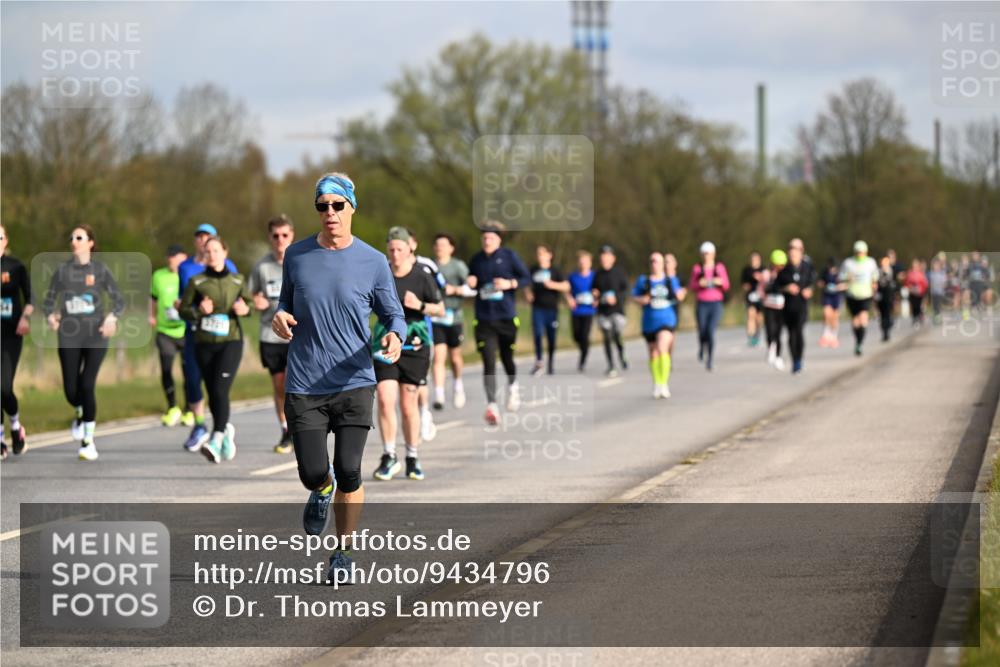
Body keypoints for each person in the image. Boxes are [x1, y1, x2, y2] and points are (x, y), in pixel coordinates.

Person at [271, 172, 406, 583]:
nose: (329, 212)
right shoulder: (297, 255)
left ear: (351, 207)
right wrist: (279, 317)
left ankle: (343, 552)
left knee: (350, 469)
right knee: (314, 473)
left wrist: (396, 336)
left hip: (354, 381)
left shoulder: (373, 261)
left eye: (336, 205)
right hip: (305, 383)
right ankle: (322, 488)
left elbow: (393, 314)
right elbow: (284, 304)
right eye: (322, 205)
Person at [43, 225, 124, 461]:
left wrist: (111, 318)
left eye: (79, 237)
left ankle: (88, 441)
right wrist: (50, 316)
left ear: (91, 243)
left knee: (87, 384)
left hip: (96, 334)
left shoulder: (100, 270)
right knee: (71, 391)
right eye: (71, 238)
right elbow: (49, 300)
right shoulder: (62, 271)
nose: (74, 241)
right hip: (69, 334)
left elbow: (119, 300)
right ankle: (79, 410)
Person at [372, 227, 444, 482]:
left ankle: (412, 457)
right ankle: (389, 455)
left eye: (399, 249)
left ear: (409, 248)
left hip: (415, 346)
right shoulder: (380, 275)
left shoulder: (422, 276)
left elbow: (440, 309)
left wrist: (420, 305)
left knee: (407, 404)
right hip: (384, 343)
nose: (395, 254)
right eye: (391, 249)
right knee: (384, 398)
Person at [179, 236, 251, 463]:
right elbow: (183, 311)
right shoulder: (197, 282)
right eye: (208, 251)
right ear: (203, 255)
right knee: (213, 393)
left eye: (216, 250)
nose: (212, 255)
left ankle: (216, 438)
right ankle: (225, 430)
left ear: (225, 253)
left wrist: (244, 309)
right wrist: (199, 310)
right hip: (204, 344)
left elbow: (249, 305)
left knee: (220, 389)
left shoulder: (237, 280)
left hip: (231, 341)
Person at [466, 220, 530, 426]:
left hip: (506, 317)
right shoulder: (476, 259)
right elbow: (471, 282)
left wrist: (509, 283)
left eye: (491, 238)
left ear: (498, 240)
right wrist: (471, 282)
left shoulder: (509, 256)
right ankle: (492, 405)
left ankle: (513, 386)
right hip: (484, 318)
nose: (487, 241)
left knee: (506, 357)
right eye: (484, 238)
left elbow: (526, 278)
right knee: (488, 360)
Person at [250, 214, 295, 453]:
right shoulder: (262, 267)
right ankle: (286, 430)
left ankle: (302, 428)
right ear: (270, 237)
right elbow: (250, 295)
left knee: (293, 383)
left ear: (292, 236)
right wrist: (255, 301)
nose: (280, 240)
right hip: (270, 334)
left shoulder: (300, 262)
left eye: (284, 235)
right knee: (279, 386)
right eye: (276, 236)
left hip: (296, 333)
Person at [405, 229, 446, 443]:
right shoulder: (387, 266)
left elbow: (442, 289)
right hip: (395, 334)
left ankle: (423, 414)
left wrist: (422, 305)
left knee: (419, 379)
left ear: (413, 244)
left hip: (423, 330)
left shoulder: (426, 266)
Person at [632, 252, 684, 399]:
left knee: (662, 347)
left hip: (666, 320)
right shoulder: (644, 281)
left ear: (662, 264)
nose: (655, 264)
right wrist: (642, 299)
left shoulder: (670, 280)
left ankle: (664, 383)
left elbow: (679, 294)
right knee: (653, 353)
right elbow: (634, 296)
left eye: (658, 262)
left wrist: (681, 293)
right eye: (652, 261)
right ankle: (657, 383)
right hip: (649, 321)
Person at [1, 224, 33, 459]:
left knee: (4, 387)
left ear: (6, 241)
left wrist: (25, 318)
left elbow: (31, 298)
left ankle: (15, 426)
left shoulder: (16, 266)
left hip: (11, 334)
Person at [149, 244, 188, 427]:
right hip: (165, 331)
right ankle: (172, 407)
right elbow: (153, 297)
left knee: (189, 372)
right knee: (166, 369)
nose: (171, 259)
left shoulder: (188, 274)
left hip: (186, 330)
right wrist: (151, 315)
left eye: (175, 256)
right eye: (169, 256)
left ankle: (189, 409)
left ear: (184, 257)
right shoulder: (158, 275)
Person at [430, 233, 470, 410]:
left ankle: (458, 385)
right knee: (438, 356)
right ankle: (439, 394)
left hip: (454, 317)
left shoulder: (458, 266)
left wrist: (456, 289)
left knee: (455, 358)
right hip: (436, 317)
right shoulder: (431, 267)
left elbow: (471, 288)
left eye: (444, 245)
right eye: (437, 245)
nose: (440, 248)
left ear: (451, 248)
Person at [526, 245, 569, 376]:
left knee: (551, 337)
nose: (540, 256)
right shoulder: (533, 269)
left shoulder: (555, 270)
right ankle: (539, 361)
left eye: (542, 253)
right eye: (538, 254)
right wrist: (528, 293)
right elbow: (526, 283)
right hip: (537, 308)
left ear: (549, 255)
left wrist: (553, 285)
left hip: (552, 309)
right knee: (538, 333)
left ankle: (551, 362)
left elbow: (566, 286)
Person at [774, 240, 816, 374]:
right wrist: (787, 288)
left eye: (796, 252)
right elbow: (776, 287)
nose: (793, 255)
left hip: (802, 306)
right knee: (791, 334)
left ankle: (799, 359)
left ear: (801, 252)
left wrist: (809, 290)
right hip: (788, 307)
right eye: (791, 252)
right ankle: (794, 360)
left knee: (799, 331)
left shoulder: (807, 267)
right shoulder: (784, 270)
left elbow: (813, 282)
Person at [688, 241, 730, 371]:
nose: (707, 256)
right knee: (702, 330)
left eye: (709, 253)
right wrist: (700, 283)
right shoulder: (697, 269)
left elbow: (726, 285)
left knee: (711, 331)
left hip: (716, 304)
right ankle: (702, 346)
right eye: (705, 254)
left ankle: (710, 359)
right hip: (702, 303)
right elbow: (692, 286)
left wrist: (719, 282)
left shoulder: (719, 268)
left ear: (713, 254)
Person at [592, 245, 629, 376]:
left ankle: (621, 354)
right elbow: (594, 290)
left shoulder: (619, 273)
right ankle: (611, 365)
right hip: (603, 311)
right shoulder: (597, 274)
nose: (604, 259)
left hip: (617, 311)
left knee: (616, 335)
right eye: (602, 256)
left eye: (607, 256)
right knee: (607, 337)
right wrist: (595, 296)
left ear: (613, 258)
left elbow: (626, 290)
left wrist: (616, 298)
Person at [838, 241, 880, 356]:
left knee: (863, 317)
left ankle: (860, 343)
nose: (860, 254)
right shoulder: (848, 263)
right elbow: (841, 276)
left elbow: (875, 276)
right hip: (852, 294)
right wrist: (847, 278)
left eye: (862, 252)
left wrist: (874, 285)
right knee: (855, 321)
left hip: (866, 294)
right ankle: (857, 341)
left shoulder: (870, 262)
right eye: (858, 252)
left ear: (865, 252)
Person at [568, 251, 596, 373]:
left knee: (584, 335)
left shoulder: (594, 276)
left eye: (585, 261)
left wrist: (597, 298)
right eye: (581, 261)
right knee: (576, 336)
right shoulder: (573, 277)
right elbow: (567, 290)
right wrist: (569, 299)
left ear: (590, 263)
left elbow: (600, 288)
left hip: (589, 311)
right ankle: (585, 346)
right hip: (576, 310)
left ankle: (582, 361)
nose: (583, 263)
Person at [763, 249, 788, 371]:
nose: (779, 267)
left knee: (778, 333)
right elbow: (762, 289)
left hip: (781, 307)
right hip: (769, 306)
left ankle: (778, 356)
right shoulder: (767, 274)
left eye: (781, 265)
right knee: (769, 331)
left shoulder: (785, 275)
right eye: (777, 265)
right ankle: (771, 349)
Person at [740, 252, 764, 347]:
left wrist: (760, 278)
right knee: (751, 315)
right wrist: (746, 286)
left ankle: (757, 335)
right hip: (750, 296)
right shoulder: (747, 270)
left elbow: (768, 281)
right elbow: (743, 284)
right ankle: (750, 336)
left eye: (755, 259)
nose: (754, 261)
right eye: (752, 259)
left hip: (761, 296)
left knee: (759, 318)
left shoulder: (763, 269)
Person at [817, 257, 842, 348]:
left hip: (837, 296)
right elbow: (820, 282)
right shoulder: (825, 272)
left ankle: (834, 336)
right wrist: (824, 285)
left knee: (834, 317)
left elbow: (847, 283)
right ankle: (825, 334)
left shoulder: (840, 273)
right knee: (827, 314)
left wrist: (838, 287)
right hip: (827, 296)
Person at [876, 256, 897, 342]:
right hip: (881, 296)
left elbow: (894, 284)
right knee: (882, 315)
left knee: (888, 314)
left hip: (889, 296)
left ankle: (888, 329)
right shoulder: (878, 272)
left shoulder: (891, 271)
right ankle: (884, 332)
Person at [904, 258, 928, 326]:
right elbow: (907, 282)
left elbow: (925, 283)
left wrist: (921, 289)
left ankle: (918, 316)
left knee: (918, 305)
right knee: (913, 305)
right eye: (914, 264)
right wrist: (909, 287)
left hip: (919, 293)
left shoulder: (921, 273)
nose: (915, 266)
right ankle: (915, 317)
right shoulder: (910, 273)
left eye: (916, 264)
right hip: (912, 292)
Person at [928, 257, 948, 324]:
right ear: (933, 266)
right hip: (933, 293)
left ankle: (938, 318)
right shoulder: (931, 273)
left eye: (937, 265)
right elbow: (930, 283)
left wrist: (942, 285)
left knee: (938, 306)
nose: (936, 267)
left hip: (939, 293)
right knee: (934, 306)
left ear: (940, 266)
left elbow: (944, 283)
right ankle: (935, 317)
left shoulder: (942, 273)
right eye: (935, 265)